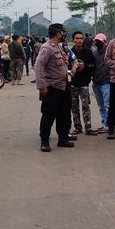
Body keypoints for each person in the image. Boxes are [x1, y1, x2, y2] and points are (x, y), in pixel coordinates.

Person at [35, 23, 76, 151]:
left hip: (64, 86)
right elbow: (39, 67)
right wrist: (41, 86)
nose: (64, 35)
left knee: (63, 114)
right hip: (52, 87)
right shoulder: (46, 48)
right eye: (62, 32)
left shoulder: (58, 47)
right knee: (48, 115)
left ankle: (63, 138)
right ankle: (45, 141)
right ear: (58, 33)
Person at [70, 31, 96, 135]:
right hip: (72, 84)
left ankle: (88, 128)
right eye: (77, 38)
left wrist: (85, 66)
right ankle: (77, 127)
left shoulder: (88, 52)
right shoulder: (69, 53)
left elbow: (93, 65)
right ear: (73, 40)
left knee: (86, 106)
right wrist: (73, 68)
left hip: (84, 84)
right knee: (74, 107)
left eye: (81, 38)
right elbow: (66, 67)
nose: (79, 40)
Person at [91, 33, 110, 134]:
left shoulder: (109, 53)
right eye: (96, 41)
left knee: (107, 105)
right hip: (96, 82)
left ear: (104, 42)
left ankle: (109, 125)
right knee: (101, 105)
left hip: (106, 82)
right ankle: (105, 123)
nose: (97, 43)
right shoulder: (94, 53)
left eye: (99, 41)